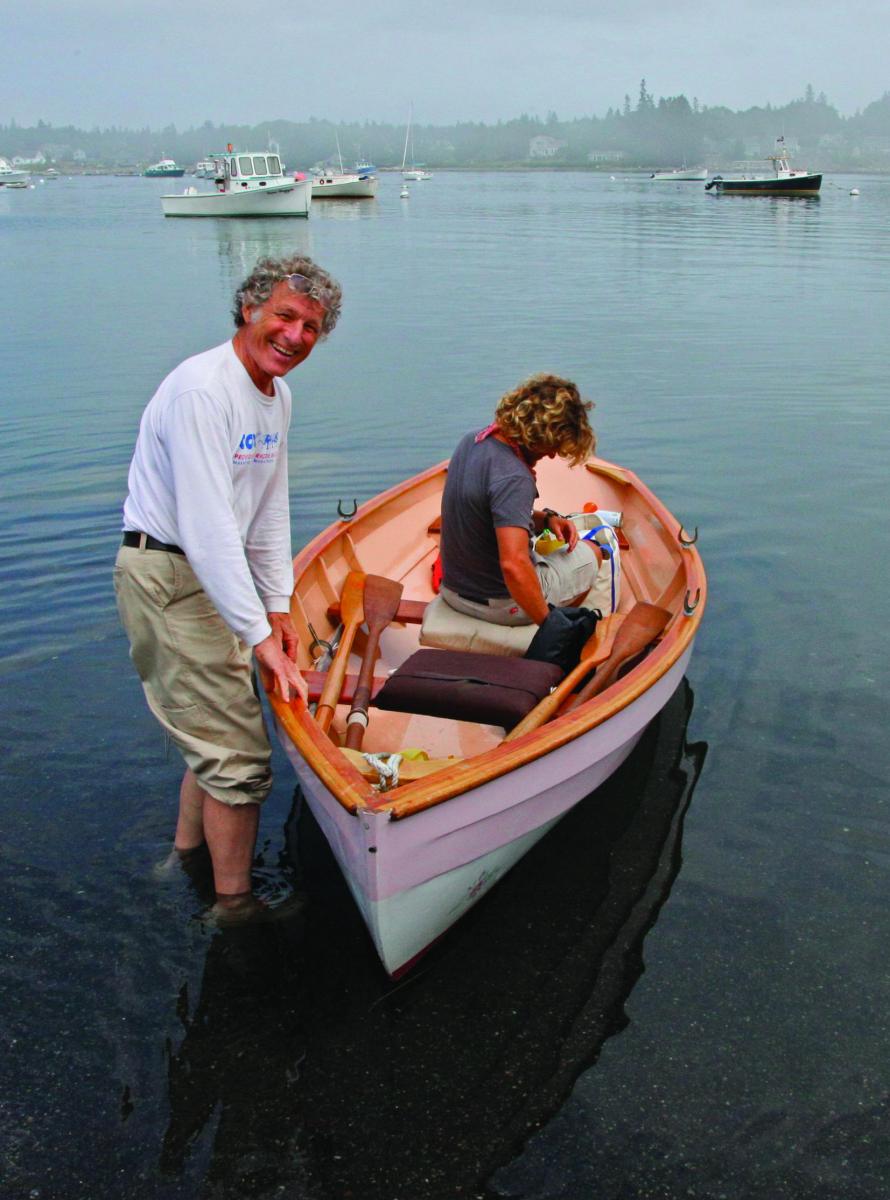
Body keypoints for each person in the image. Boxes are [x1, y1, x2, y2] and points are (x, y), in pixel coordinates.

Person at [114, 254, 342, 921]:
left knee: (214, 734)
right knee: (240, 759)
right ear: (249, 310)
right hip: (169, 575)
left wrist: (276, 610)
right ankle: (234, 909)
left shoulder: (276, 395)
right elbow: (209, 526)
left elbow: (267, 512)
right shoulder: (202, 391)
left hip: (216, 576)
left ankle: (184, 859)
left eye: (311, 327)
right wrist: (257, 638)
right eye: (285, 316)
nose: (296, 336)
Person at [439, 374, 600, 627]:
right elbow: (514, 565)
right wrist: (550, 629)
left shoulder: (471, 440)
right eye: (553, 446)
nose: (551, 455)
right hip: (505, 606)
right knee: (593, 555)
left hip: (452, 593)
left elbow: (485, 510)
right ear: (542, 436)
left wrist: (546, 519)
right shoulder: (515, 477)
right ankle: (552, 624)